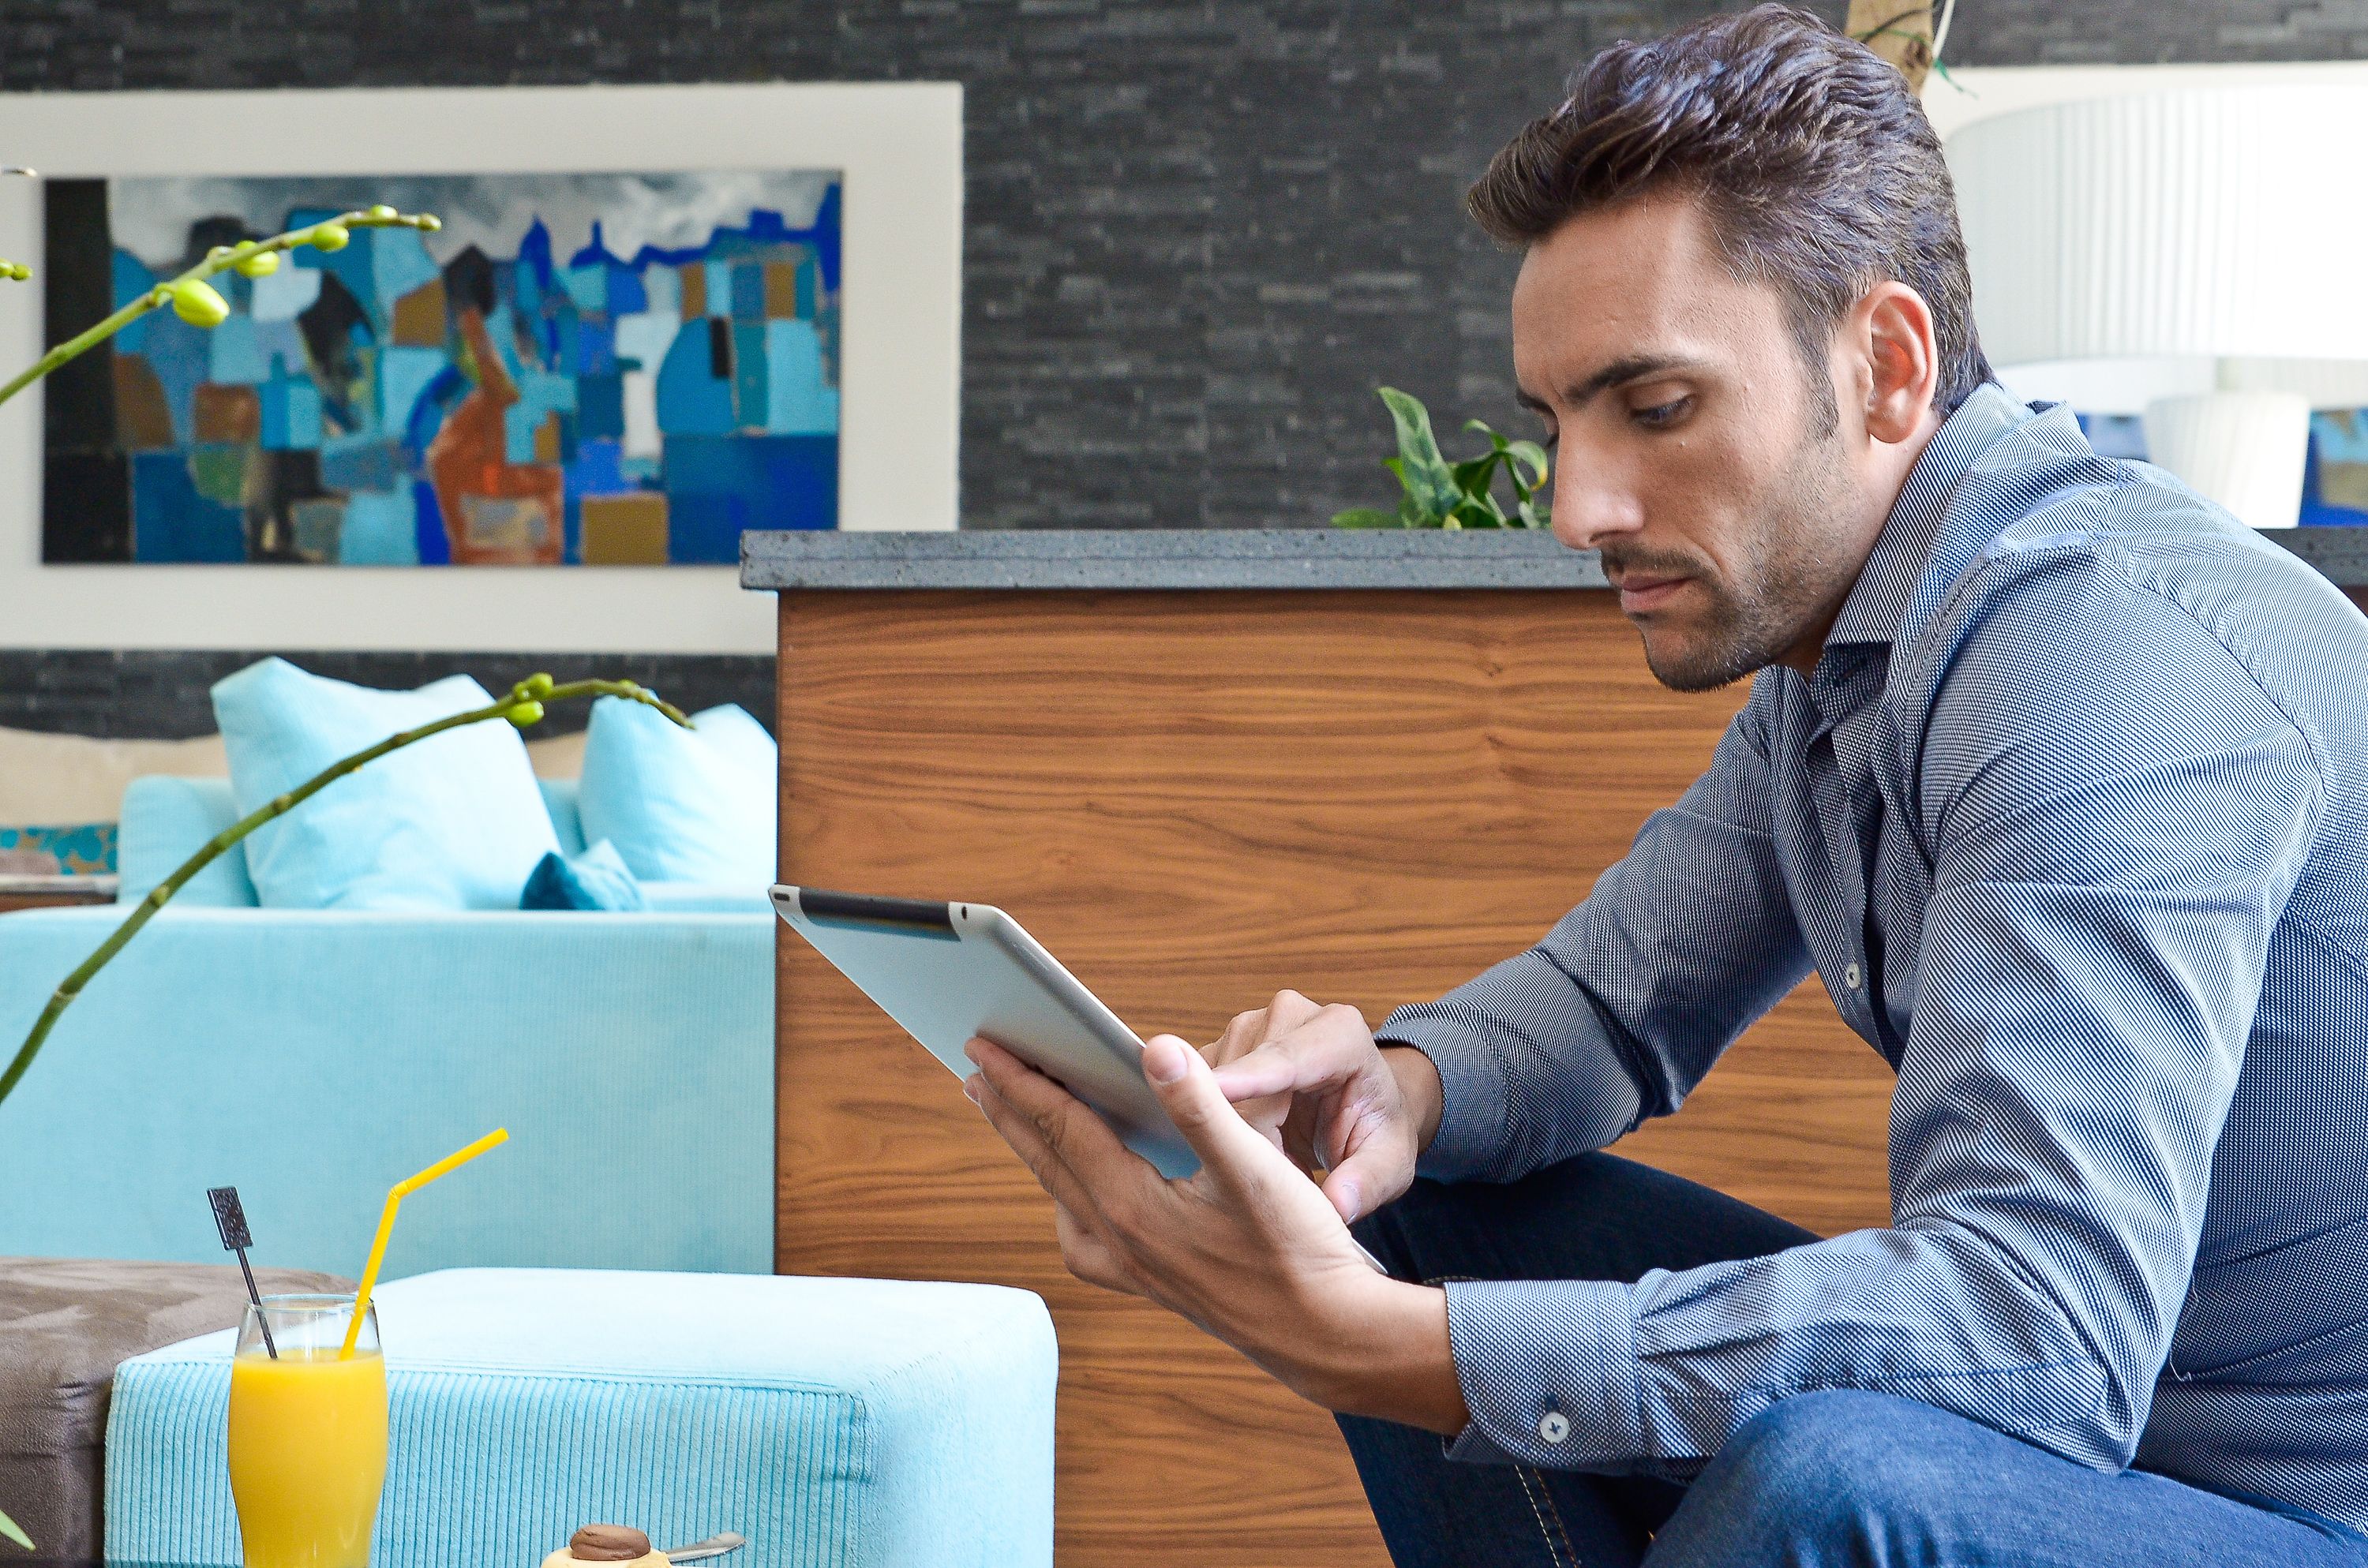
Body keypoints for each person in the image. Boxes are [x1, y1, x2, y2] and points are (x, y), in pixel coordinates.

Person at [961, 6, 2368, 1563]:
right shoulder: (1851, 649)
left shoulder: (2099, 652)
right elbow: (1610, 1002)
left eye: (1656, 405)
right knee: (1423, 1207)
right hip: (2125, 1470)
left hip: (2302, 1510)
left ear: (1887, 364)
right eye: (1556, 420)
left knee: (1823, 1483)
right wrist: (1388, 1096)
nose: (1579, 507)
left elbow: (2033, 1330)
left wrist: (1377, 1348)